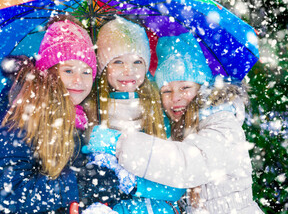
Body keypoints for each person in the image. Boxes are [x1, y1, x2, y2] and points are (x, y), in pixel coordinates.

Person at [95, 32, 263, 213]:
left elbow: (187, 164)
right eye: (166, 91)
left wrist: (119, 143)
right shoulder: (180, 128)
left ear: (202, 88)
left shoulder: (222, 121)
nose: (176, 98)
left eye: (185, 87)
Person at [0, 17, 125, 214]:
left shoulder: (77, 118)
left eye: (87, 72)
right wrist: (78, 184)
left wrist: (101, 185)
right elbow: (8, 195)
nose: (78, 80)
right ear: (50, 72)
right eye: (68, 70)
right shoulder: (22, 115)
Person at [83, 17, 186, 214]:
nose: (128, 70)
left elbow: (177, 185)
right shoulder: (91, 112)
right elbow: (94, 186)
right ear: (104, 67)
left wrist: (134, 183)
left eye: (137, 61)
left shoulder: (160, 109)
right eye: (118, 61)